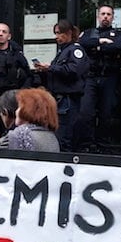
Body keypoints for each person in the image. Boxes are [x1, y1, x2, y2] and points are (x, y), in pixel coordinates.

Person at [32, 20, 88, 151]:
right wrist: (44, 71)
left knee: (64, 138)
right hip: (58, 99)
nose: (56, 37)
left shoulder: (75, 50)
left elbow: (73, 71)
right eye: (55, 33)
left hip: (67, 100)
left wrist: (51, 68)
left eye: (59, 33)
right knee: (58, 136)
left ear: (68, 33)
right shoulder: (62, 51)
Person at [77, 5, 121, 152]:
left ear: (112, 17)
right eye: (103, 14)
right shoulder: (88, 33)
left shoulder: (118, 34)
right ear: (98, 16)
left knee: (107, 113)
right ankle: (86, 145)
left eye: (108, 14)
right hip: (91, 78)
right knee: (86, 112)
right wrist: (101, 42)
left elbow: (118, 47)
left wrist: (96, 47)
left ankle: (103, 146)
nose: (105, 17)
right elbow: (82, 43)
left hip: (109, 77)